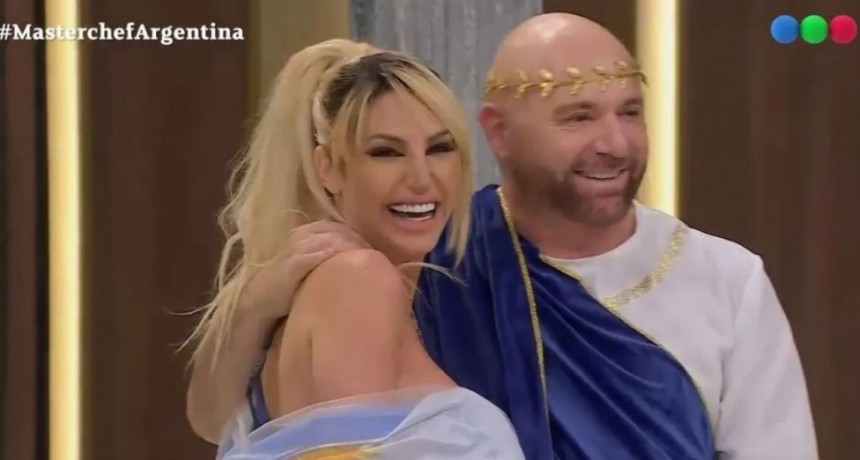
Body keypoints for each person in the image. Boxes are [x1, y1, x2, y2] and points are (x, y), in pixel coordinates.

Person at [187, 14, 819, 460]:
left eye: (629, 111)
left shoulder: (725, 279)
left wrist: (253, 304)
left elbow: (217, 418)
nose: (613, 142)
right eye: (578, 116)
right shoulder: (391, 273)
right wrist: (254, 302)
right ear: (499, 133)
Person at [183, 38, 525, 459]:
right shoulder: (357, 281)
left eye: (439, 148)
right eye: (386, 152)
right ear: (327, 168)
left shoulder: (346, 290)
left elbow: (209, 420)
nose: (422, 178)